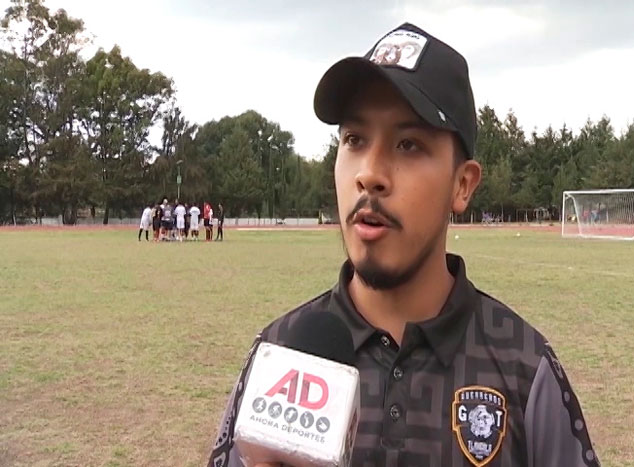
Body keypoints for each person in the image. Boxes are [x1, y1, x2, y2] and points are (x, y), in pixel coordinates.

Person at [207, 23, 598, 467]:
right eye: (354, 139)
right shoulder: (278, 358)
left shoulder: (526, 370)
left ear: (463, 184)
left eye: (408, 144)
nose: (369, 173)